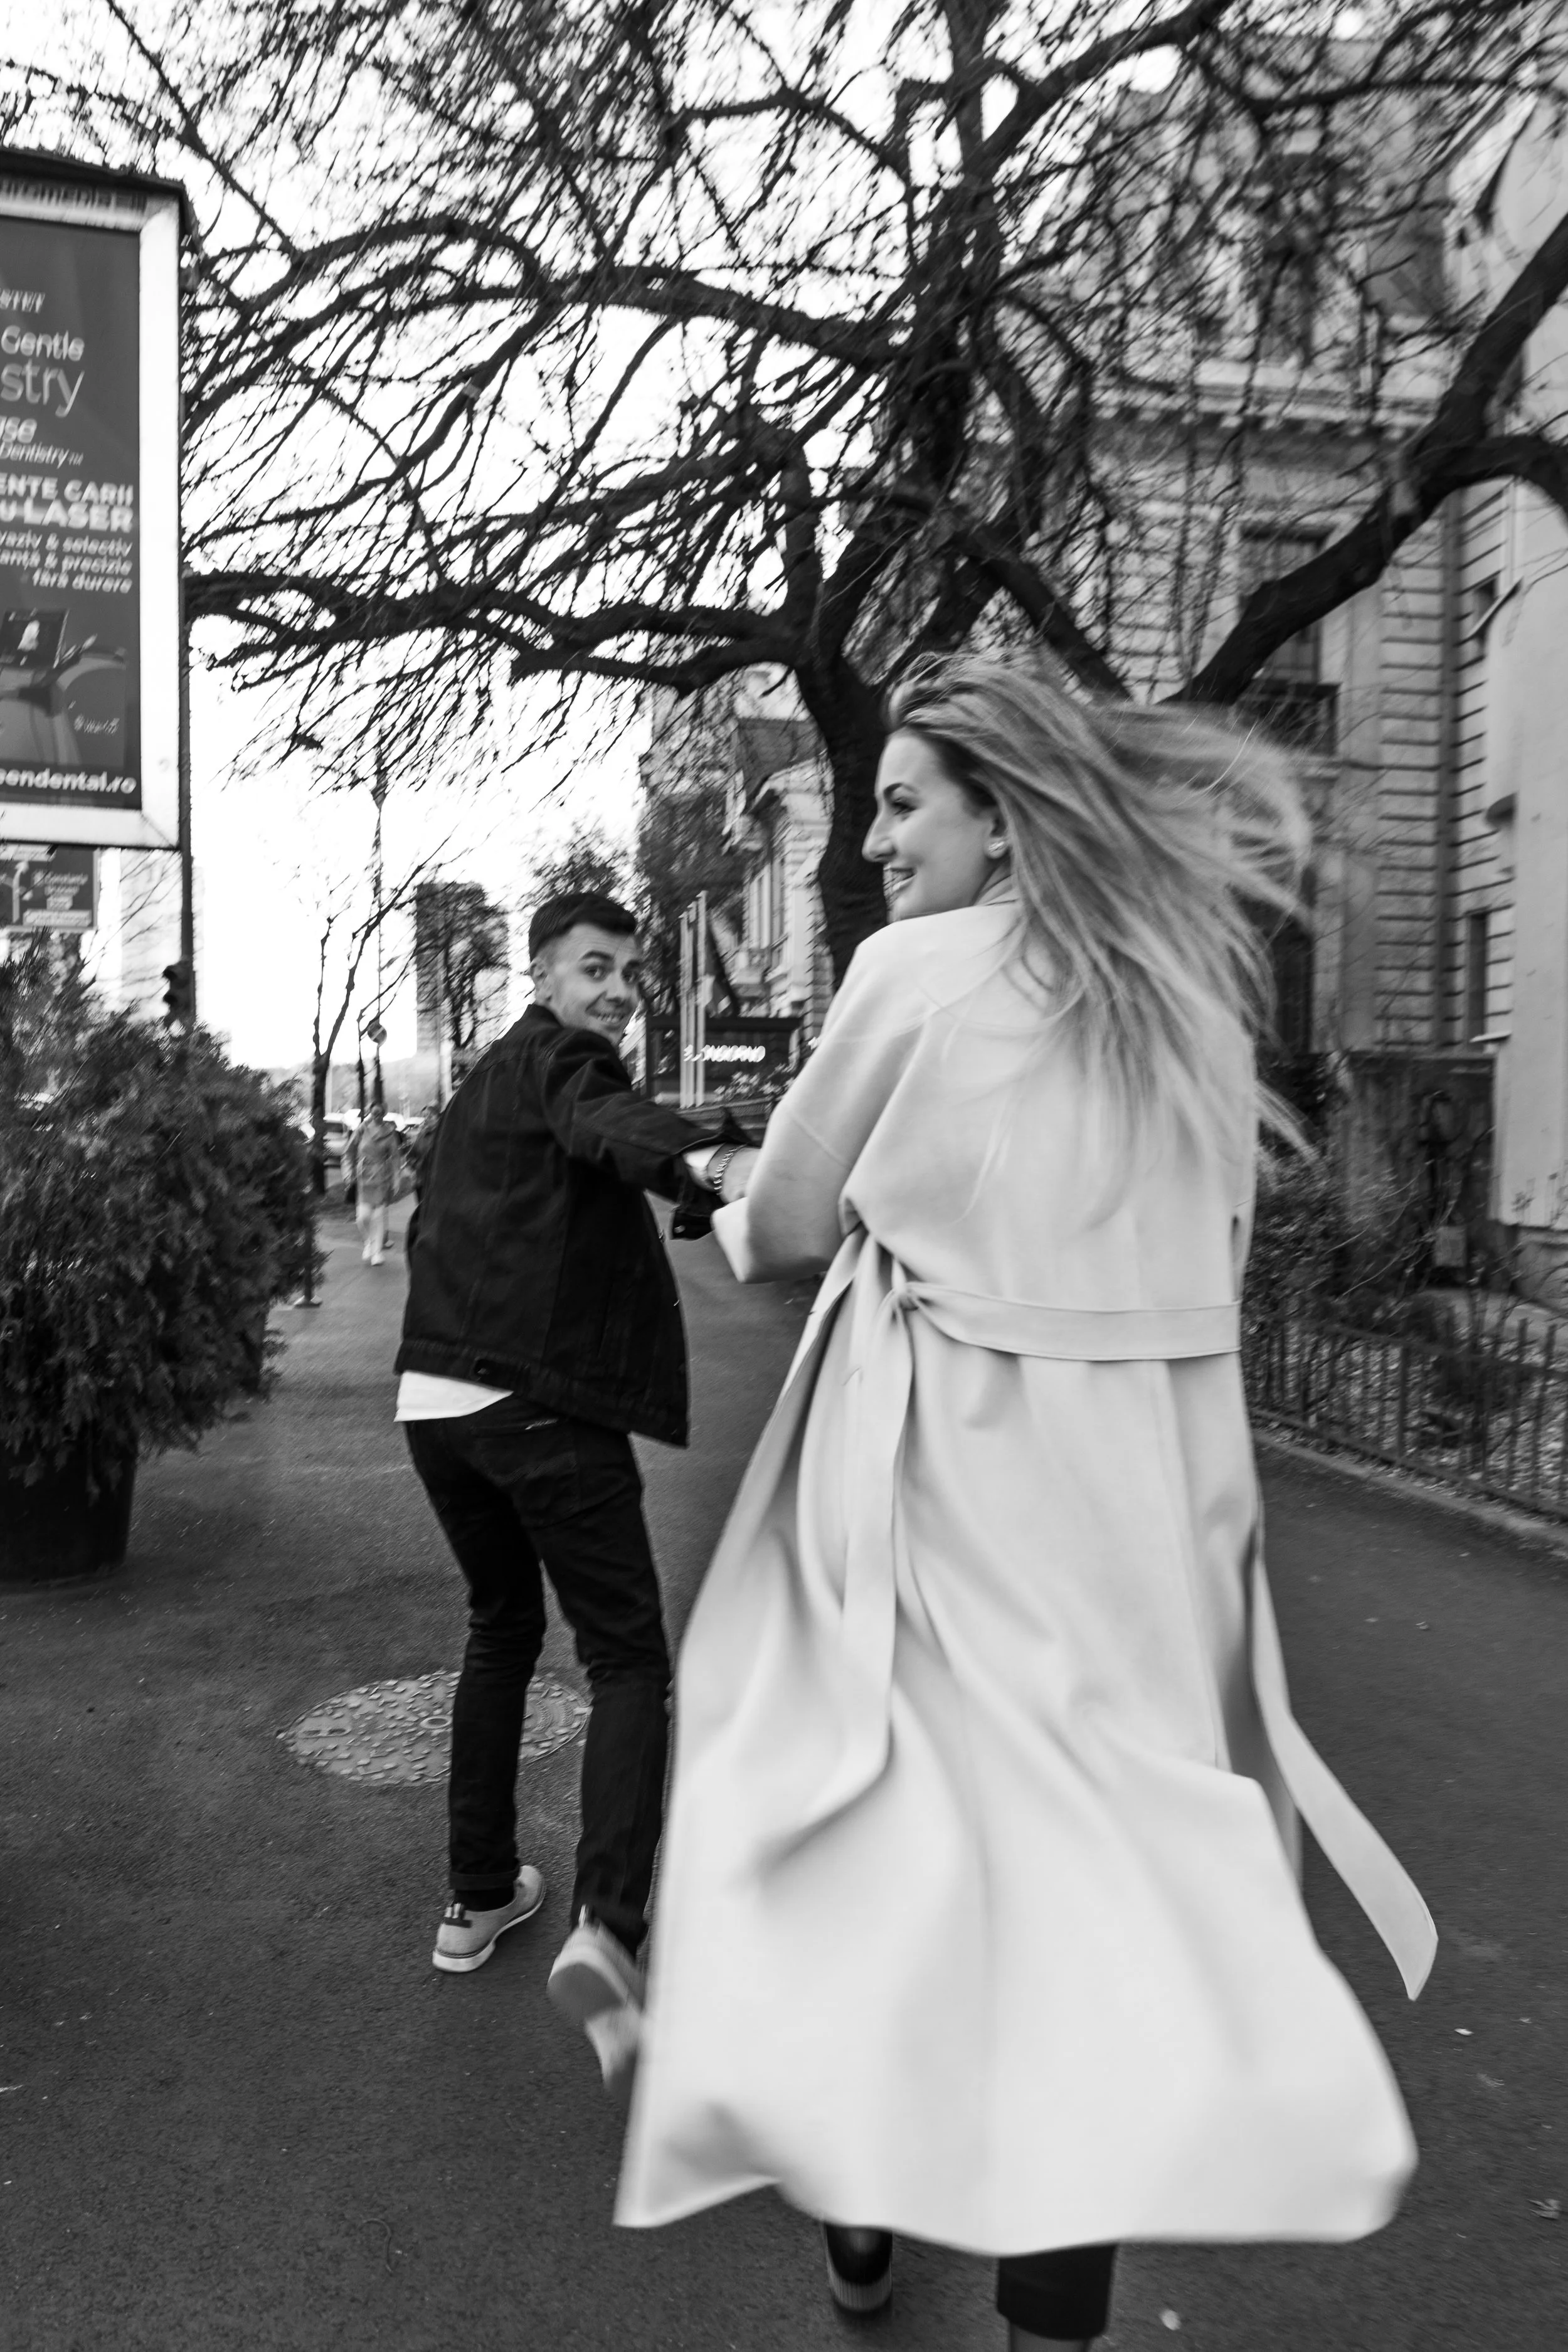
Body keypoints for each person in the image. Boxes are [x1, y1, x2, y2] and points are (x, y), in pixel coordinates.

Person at [616, 659, 1436, 2348]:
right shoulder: (1179, 999)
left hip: (927, 1515)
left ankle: (858, 2212)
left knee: (879, 1875)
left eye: (903, 800)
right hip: (1123, 1533)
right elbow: (1203, 1274)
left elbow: (776, 1228)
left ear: (997, 812)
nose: (873, 832)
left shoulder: (913, 969)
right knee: (1083, 1940)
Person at [395, 890, 744, 2092]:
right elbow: (604, 1115)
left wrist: (687, 1169)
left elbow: (591, 1145)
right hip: (533, 1402)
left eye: (630, 976)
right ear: (542, 974)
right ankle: (608, 1930)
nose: (617, 992)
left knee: (501, 1627)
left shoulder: (488, 1085)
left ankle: (478, 1896)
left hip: (433, 1406)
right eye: (597, 967)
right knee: (630, 1659)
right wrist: (714, 1159)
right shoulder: (562, 1054)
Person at [345, 1104, 400, 1264]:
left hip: (382, 1177)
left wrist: (396, 1179)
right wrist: (348, 1172)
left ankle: (377, 1253)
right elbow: (348, 1152)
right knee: (363, 1217)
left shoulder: (390, 1133)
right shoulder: (362, 1129)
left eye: (380, 1112)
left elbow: (396, 1157)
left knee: (378, 1217)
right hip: (364, 1177)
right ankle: (368, 1241)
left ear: (384, 1113)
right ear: (370, 1112)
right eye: (374, 1112)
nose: (376, 1115)